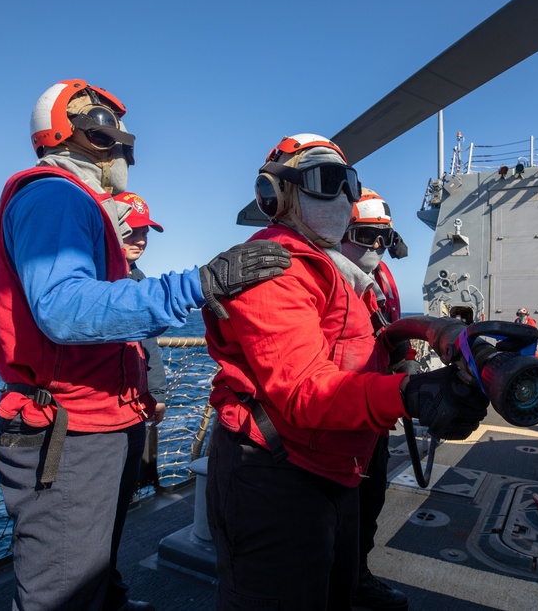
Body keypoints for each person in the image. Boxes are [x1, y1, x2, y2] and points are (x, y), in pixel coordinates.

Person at [0, 79, 291, 611]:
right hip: (72, 431)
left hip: (102, 421)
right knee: (60, 589)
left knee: (94, 564)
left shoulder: (79, 204)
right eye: (110, 133)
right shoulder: (55, 195)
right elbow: (62, 310)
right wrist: (197, 285)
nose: (123, 144)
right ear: (74, 134)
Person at [204, 133, 488, 610]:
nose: (341, 197)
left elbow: (348, 349)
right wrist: (410, 393)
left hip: (333, 467)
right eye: (325, 180)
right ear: (277, 194)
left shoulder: (331, 270)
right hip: (276, 473)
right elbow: (303, 390)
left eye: (348, 184)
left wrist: (401, 359)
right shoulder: (275, 267)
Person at [340, 189, 412, 611]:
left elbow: (391, 328)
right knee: (337, 514)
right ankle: (337, 583)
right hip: (337, 415)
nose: (377, 247)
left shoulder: (381, 279)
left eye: (384, 238)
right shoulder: (325, 278)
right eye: (368, 236)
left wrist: (404, 362)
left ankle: (357, 576)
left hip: (375, 413)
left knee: (370, 502)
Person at [115, 192, 168, 425]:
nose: (141, 240)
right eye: (133, 231)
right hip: (106, 403)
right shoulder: (94, 278)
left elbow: (148, 343)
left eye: (144, 233)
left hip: (134, 402)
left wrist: (157, 393)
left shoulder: (139, 279)